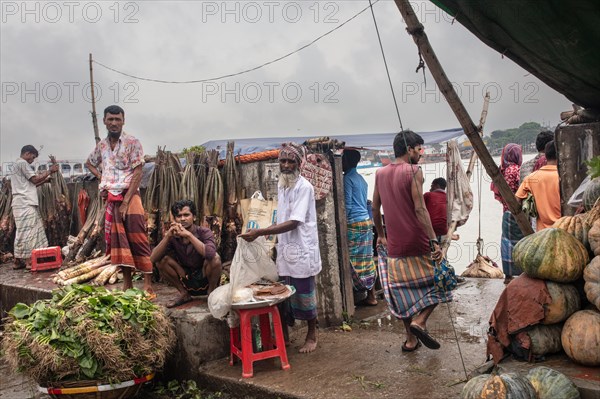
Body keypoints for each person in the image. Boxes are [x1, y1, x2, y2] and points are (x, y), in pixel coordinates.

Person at [240, 143, 322, 354]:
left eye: (290, 161)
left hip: (302, 248)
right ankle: (283, 336)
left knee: (305, 293)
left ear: (299, 164)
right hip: (286, 248)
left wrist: (259, 232)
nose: (285, 165)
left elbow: (294, 222)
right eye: (282, 161)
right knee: (283, 294)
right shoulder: (282, 185)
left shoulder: (305, 187)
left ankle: (312, 333)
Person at [372, 130, 449, 352]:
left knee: (401, 293)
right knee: (444, 281)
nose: (421, 154)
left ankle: (410, 340)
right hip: (418, 240)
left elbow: (375, 209)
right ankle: (421, 321)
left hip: (395, 244)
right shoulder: (415, 171)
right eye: (419, 149)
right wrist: (434, 240)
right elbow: (419, 208)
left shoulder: (379, 173)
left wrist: (381, 235)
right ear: (409, 150)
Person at [86, 105, 155, 297]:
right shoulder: (102, 146)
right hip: (111, 196)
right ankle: (127, 283)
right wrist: (103, 177)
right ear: (104, 121)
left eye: (117, 119)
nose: (114, 123)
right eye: (110, 119)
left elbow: (138, 172)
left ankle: (148, 283)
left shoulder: (132, 141)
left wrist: (126, 202)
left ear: (123, 120)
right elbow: (89, 162)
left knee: (138, 237)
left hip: (129, 194)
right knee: (120, 241)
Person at [150, 199, 222, 308]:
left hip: (204, 276)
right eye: (179, 216)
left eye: (186, 215)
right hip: (185, 277)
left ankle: (211, 293)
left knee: (215, 258)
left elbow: (211, 254)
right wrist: (168, 236)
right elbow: (153, 259)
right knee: (161, 261)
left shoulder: (204, 232)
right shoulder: (173, 236)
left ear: (194, 217)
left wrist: (189, 235)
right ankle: (184, 294)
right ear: (174, 219)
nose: (183, 219)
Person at [10, 145, 59, 270]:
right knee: (29, 233)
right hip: (25, 203)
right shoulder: (22, 163)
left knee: (22, 232)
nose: (32, 160)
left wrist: (45, 180)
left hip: (20, 203)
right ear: (27, 153)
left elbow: (31, 184)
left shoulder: (16, 165)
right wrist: (50, 170)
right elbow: (35, 179)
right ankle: (29, 261)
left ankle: (17, 260)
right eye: (32, 157)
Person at [342, 149, 378, 306]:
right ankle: (372, 295)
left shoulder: (347, 179)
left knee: (351, 261)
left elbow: (347, 206)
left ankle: (352, 298)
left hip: (354, 223)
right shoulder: (361, 179)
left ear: (347, 161)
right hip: (366, 222)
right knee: (367, 259)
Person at [490, 143, 524, 284]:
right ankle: (522, 272)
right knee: (520, 242)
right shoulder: (515, 170)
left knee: (506, 242)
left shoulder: (502, 170)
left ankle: (508, 275)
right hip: (516, 213)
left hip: (506, 213)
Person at [516, 141, 561, 231]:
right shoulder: (564, 177)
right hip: (564, 229)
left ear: (545, 156)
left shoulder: (531, 178)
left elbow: (517, 200)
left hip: (542, 233)